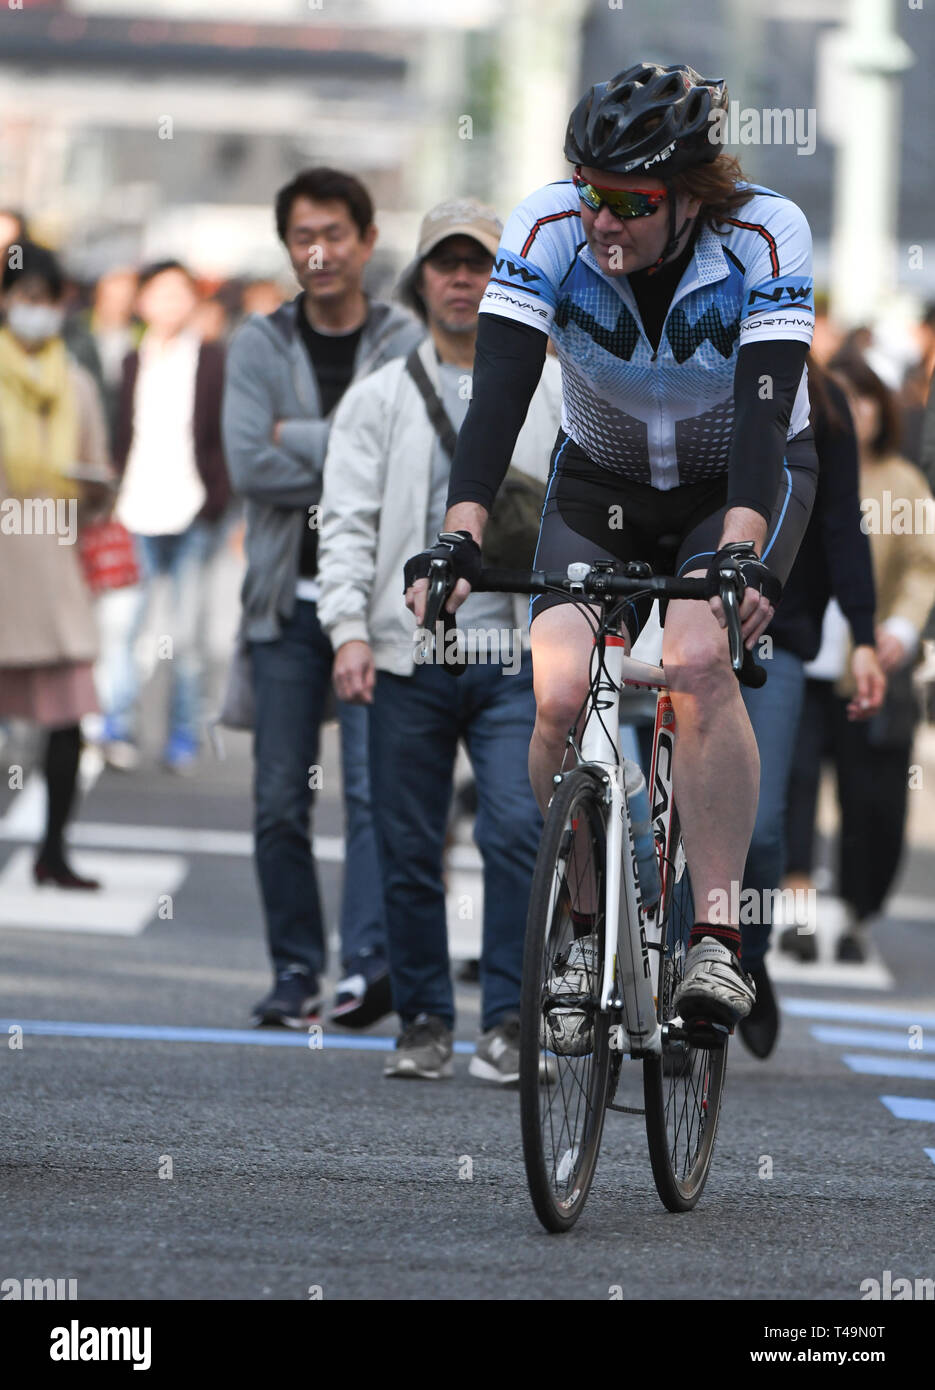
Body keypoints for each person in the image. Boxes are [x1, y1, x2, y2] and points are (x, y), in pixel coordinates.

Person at [405, 61, 822, 1031]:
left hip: (737, 483)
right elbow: (499, 392)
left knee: (692, 660)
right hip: (603, 479)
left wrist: (741, 553)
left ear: (690, 196)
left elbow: (765, 417)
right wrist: (458, 533)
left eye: (628, 201)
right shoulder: (546, 226)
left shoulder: (764, 231)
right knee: (555, 689)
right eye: (589, 190)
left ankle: (716, 941)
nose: (601, 220)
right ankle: (584, 924)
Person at [318, 198, 562, 1081]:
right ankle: (423, 1018)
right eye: (445, 263)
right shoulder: (378, 398)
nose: (462, 279)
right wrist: (346, 628)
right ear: (419, 279)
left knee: (512, 829)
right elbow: (343, 524)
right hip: (404, 651)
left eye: (481, 264)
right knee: (406, 843)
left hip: (511, 655)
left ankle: (505, 1020)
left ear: (507, 282)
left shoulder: (556, 388)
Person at [222, 168, 423, 1030]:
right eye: (304, 236)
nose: (320, 251)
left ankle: (368, 967)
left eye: (336, 233)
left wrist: (298, 437)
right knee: (278, 800)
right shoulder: (257, 343)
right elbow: (246, 465)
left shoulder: (408, 336)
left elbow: (413, 460)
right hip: (285, 603)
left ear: (368, 241)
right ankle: (295, 968)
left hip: (379, 608)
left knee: (379, 796)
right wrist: (357, 446)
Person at [736, 355, 885, 1057]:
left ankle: (748, 954)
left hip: (777, 639)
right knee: (660, 812)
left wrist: (861, 635)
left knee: (762, 828)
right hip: (672, 626)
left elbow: (841, 527)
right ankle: (670, 969)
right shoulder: (683, 374)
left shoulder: (822, 406)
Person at [782, 353, 935, 964]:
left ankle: (855, 915)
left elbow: (924, 568)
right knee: (789, 792)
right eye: (842, 395)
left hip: (868, 670)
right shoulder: (796, 465)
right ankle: (795, 911)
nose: (855, 409)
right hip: (800, 660)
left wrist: (898, 627)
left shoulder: (904, 483)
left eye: (866, 397)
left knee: (868, 800)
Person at [0, 242, 112, 887]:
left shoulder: (77, 384)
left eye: (49, 301)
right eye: (27, 300)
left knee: (69, 717)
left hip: (58, 567)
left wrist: (98, 489)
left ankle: (53, 849)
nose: (39, 313)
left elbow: (97, 480)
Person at [103, 260, 230, 773]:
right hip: (135, 509)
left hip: (194, 514)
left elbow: (223, 436)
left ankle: (182, 735)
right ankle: (118, 723)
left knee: (186, 635)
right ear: (143, 301)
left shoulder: (213, 358)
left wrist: (218, 501)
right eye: (159, 293)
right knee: (125, 626)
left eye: (180, 293)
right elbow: (121, 432)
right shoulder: (133, 358)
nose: (170, 303)